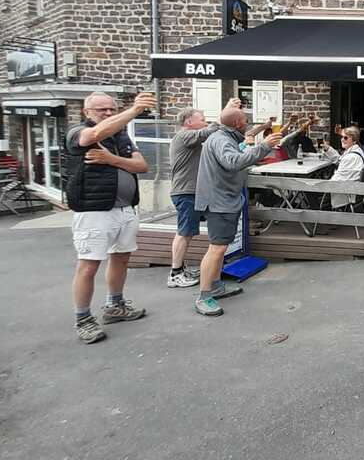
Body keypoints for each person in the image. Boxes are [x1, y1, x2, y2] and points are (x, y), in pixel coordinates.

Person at [66, 91, 156, 344]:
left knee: (121, 258)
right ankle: (83, 319)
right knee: (88, 265)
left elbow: (142, 166)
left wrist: (110, 159)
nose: (107, 113)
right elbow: (93, 135)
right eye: (101, 110)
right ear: (86, 112)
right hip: (94, 211)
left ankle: (115, 306)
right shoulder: (77, 132)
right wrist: (134, 110)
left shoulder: (120, 136)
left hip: (125, 209)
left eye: (111, 109)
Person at [193, 107, 282, 317]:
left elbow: (236, 158)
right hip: (218, 202)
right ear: (237, 123)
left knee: (221, 247)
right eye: (245, 120)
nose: (247, 123)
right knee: (216, 248)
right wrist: (263, 146)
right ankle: (203, 296)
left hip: (223, 200)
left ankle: (215, 286)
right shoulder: (221, 140)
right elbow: (233, 162)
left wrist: (258, 148)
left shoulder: (225, 137)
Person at [168, 98, 241, 289]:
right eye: (202, 119)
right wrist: (227, 111)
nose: (206, 122)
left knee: (189, 232)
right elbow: (210, 130)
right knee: (184, 232)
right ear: (188, 122)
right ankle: (175, 273)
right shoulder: (184, 136)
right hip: (186, 191)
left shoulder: (193, 139)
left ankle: (183, 269)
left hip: (195, 192)